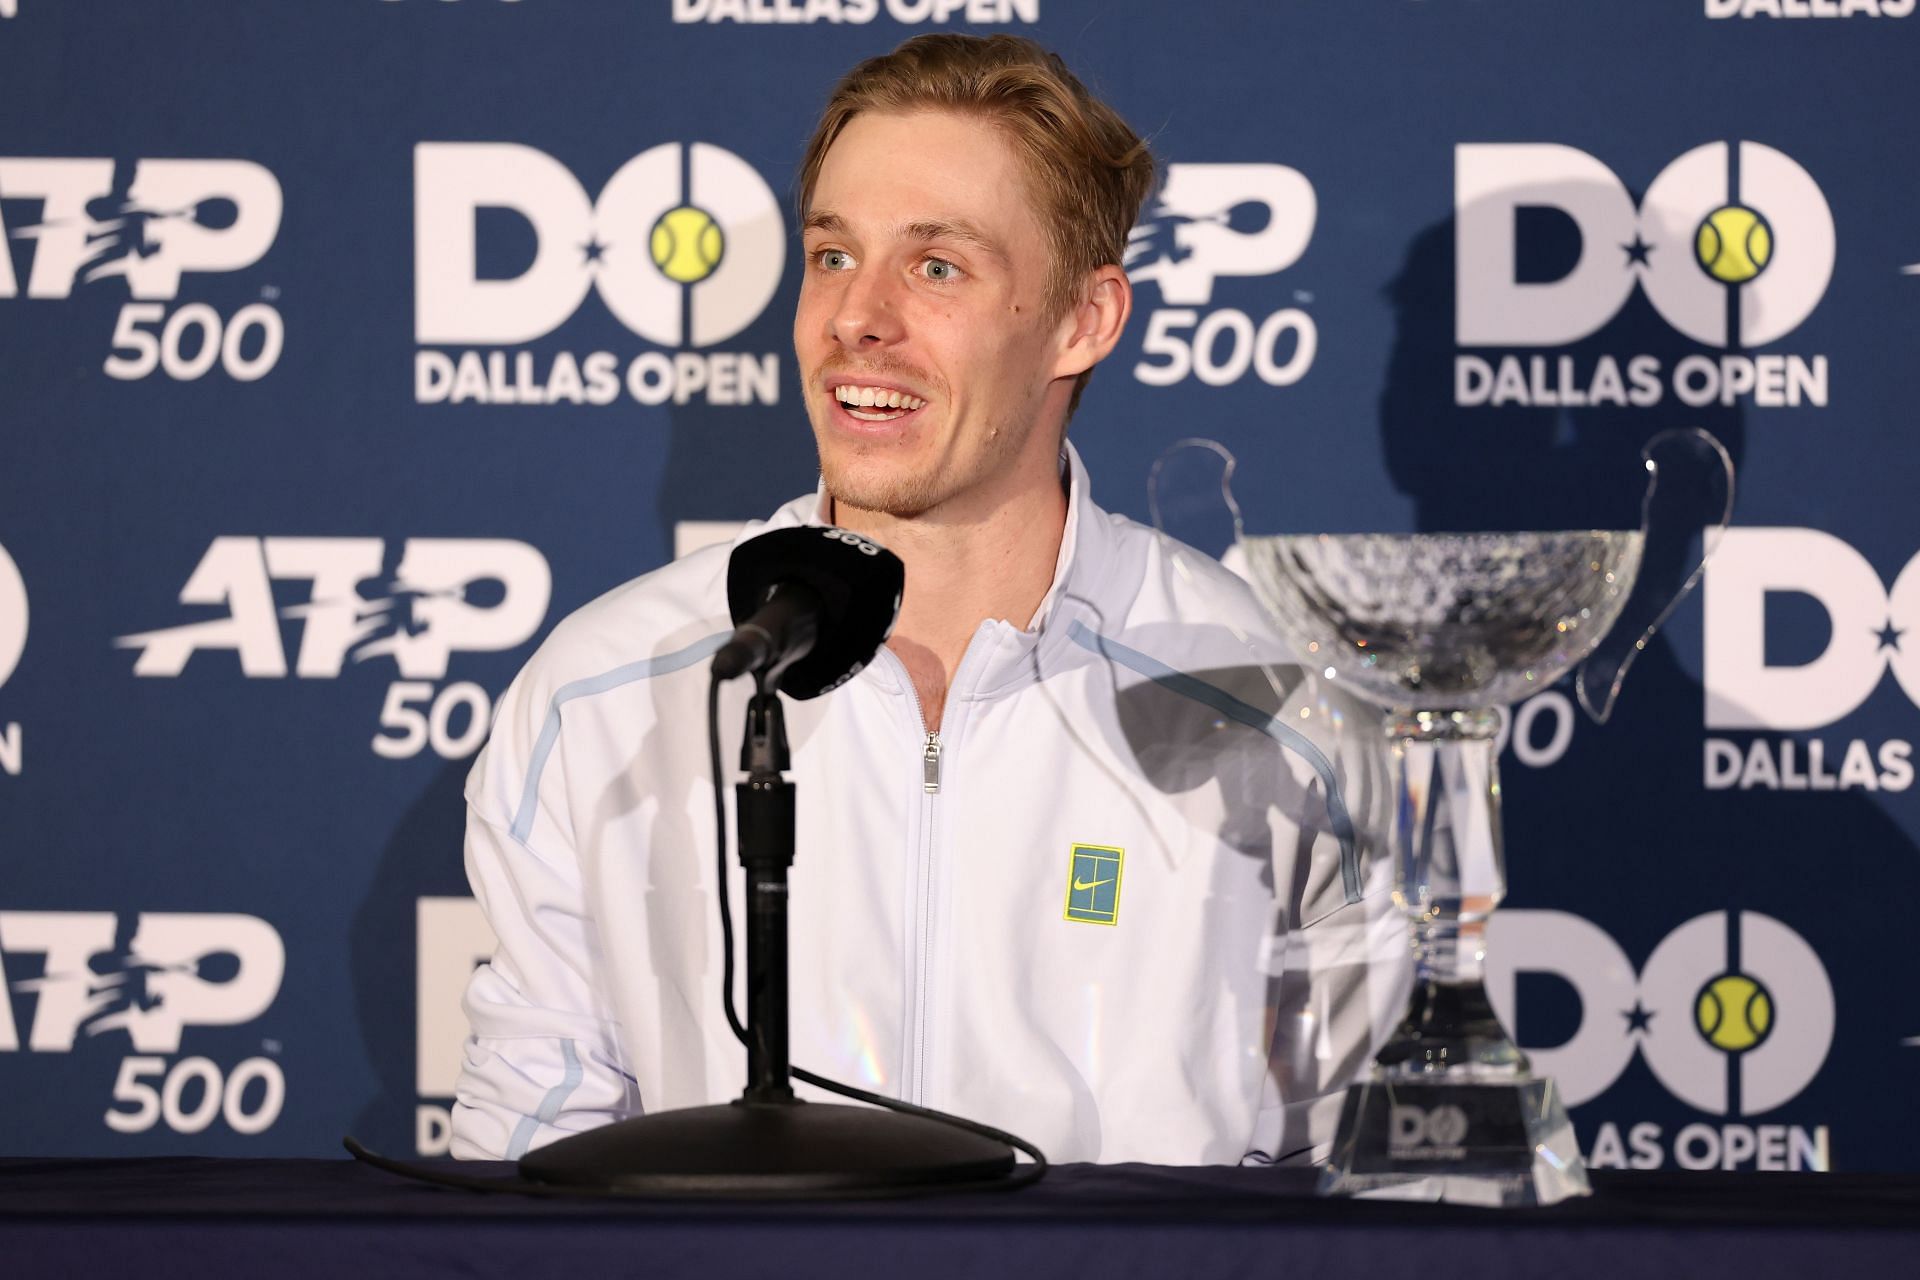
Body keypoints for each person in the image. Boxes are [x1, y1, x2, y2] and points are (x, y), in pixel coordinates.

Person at [451, 33, 1399, 1167]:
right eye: (834, 255)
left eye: (937, 266)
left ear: (1083, 321)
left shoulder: (1277, 699)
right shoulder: (605, 690)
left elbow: (1363, 1187)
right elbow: (521, 1181)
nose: (858, 316)